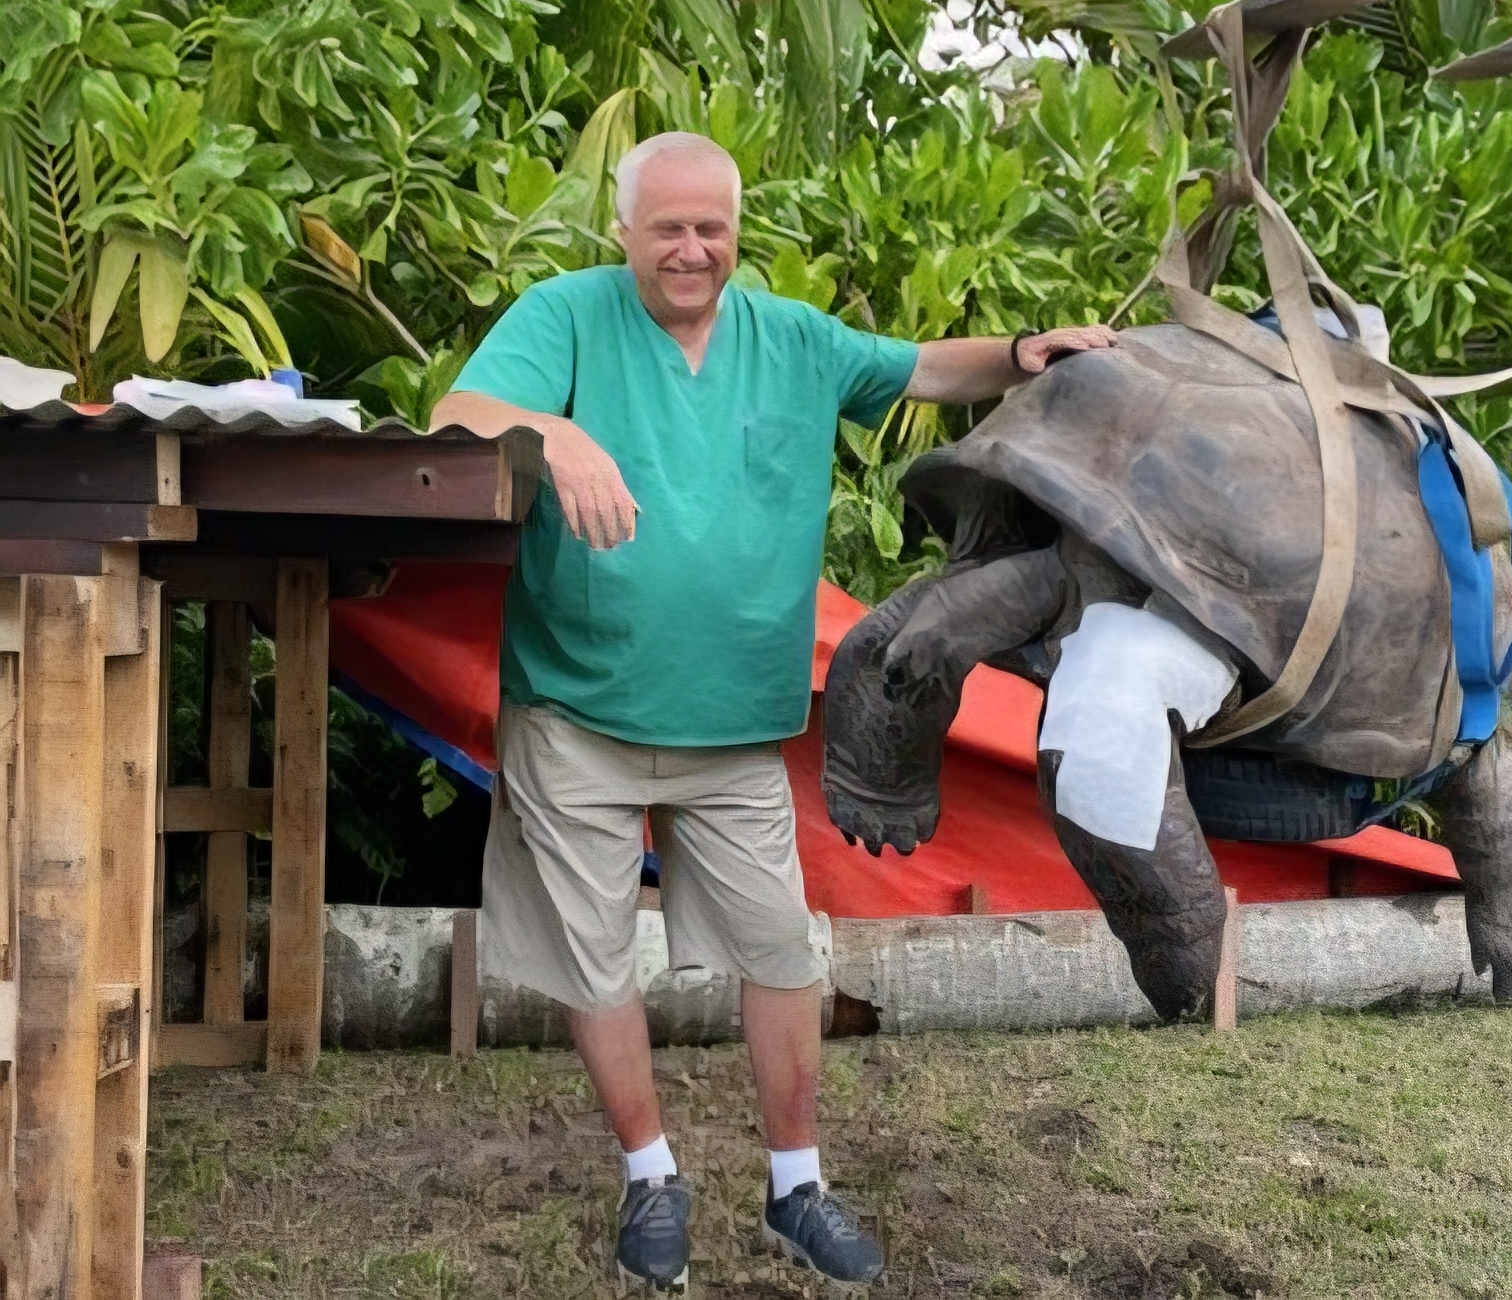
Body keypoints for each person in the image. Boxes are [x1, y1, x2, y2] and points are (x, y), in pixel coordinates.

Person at [430, 131, 1115, 1291]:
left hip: (734, 728)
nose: (691, 250)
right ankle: (650, 1174)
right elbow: (456, 412)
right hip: (575, 711)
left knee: (783, 953)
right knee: (596, 960)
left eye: (711, 227)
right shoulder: (567, 314)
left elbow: (919, 369)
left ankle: (796, 1184)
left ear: (734, 231)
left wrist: (1019, 352)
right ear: (624, 231)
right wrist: (556, 431)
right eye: (667, 229)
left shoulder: (791, 337)